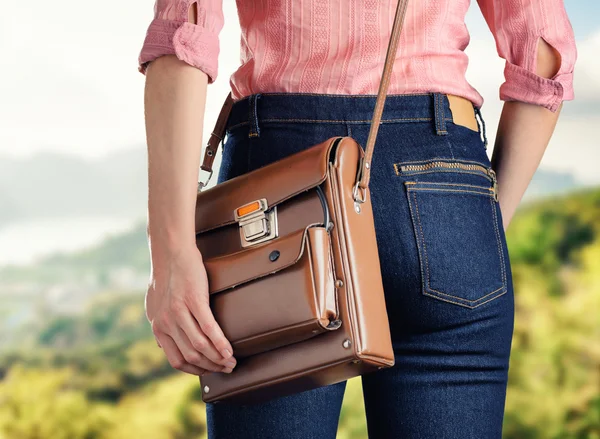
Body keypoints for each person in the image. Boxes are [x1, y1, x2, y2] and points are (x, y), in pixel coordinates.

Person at [137, 1, 577, 437]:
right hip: (442, 181)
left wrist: (172, 252)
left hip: (280, 188)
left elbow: (183, 38)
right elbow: (544, 55)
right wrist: (476, 223)